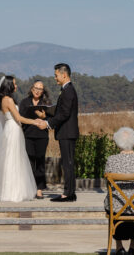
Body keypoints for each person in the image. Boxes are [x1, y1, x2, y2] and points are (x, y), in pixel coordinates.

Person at [0, 75, 48, 202]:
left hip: (12, 129)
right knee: (13, 160)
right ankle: (13, 192)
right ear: (9, 85)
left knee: (13, 160)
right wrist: (35, 122)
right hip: (13, 129)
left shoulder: (5, 99)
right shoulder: (8, 100)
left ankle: (9, 191)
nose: (16, 86)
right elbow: (19, 118)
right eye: (14, 84)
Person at [103, 126, 134, 255]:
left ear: (117, 143)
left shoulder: (111, 160)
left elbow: (107, 184)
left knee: (111, 202)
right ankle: (133, 245)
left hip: (117, 207)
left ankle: (119, 246)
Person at [47, 63, 79, 202]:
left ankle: (68, 193)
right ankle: (70, 192)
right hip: (66, 132)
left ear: (64, 74)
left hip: (67, 132)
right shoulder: (66, 90)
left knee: (68, 163)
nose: (55, 78)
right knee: (68, 163)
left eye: (56, 75)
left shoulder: (68, 91)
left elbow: (65, 113)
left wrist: (49, 123)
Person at [18, 80, 51, 199]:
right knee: (30, 162)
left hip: (42, 136)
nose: (37, 91)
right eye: (36, 88)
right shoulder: (24, 102)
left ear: (43, 92)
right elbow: (20, 117)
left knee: (40, 162)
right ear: (32, 89)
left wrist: (44, 116)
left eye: (40, 89)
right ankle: (29, 188)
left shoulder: (46, 103)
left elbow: (52, 117)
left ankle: (39, 189)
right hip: (28, 135)